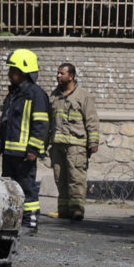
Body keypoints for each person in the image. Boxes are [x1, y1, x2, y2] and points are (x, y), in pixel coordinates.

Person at [0, 49, 50, 231]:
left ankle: (30, 221)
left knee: (27, 188)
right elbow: (7, 122)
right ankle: (12, 220)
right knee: (9, 188)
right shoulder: (13, 94)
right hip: (10, 152)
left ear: (24, 72)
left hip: (25, 153)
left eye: (14, 70)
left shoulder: (36, 95)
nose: (10, 74)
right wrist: (0, 145)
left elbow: (41, 125)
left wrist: (33, 149)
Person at [48, 63, 99, 221]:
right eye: (57, 73)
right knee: (60, 178)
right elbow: (49, 121)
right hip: (57, 145)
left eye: (61, 73)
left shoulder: (83, 96)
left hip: (76, 146)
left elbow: (92, 120)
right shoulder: (54, 96)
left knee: (76, 179)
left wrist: (93, 141)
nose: (58, 76)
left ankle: (77, 210)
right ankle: (63, 210)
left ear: (71, 76)